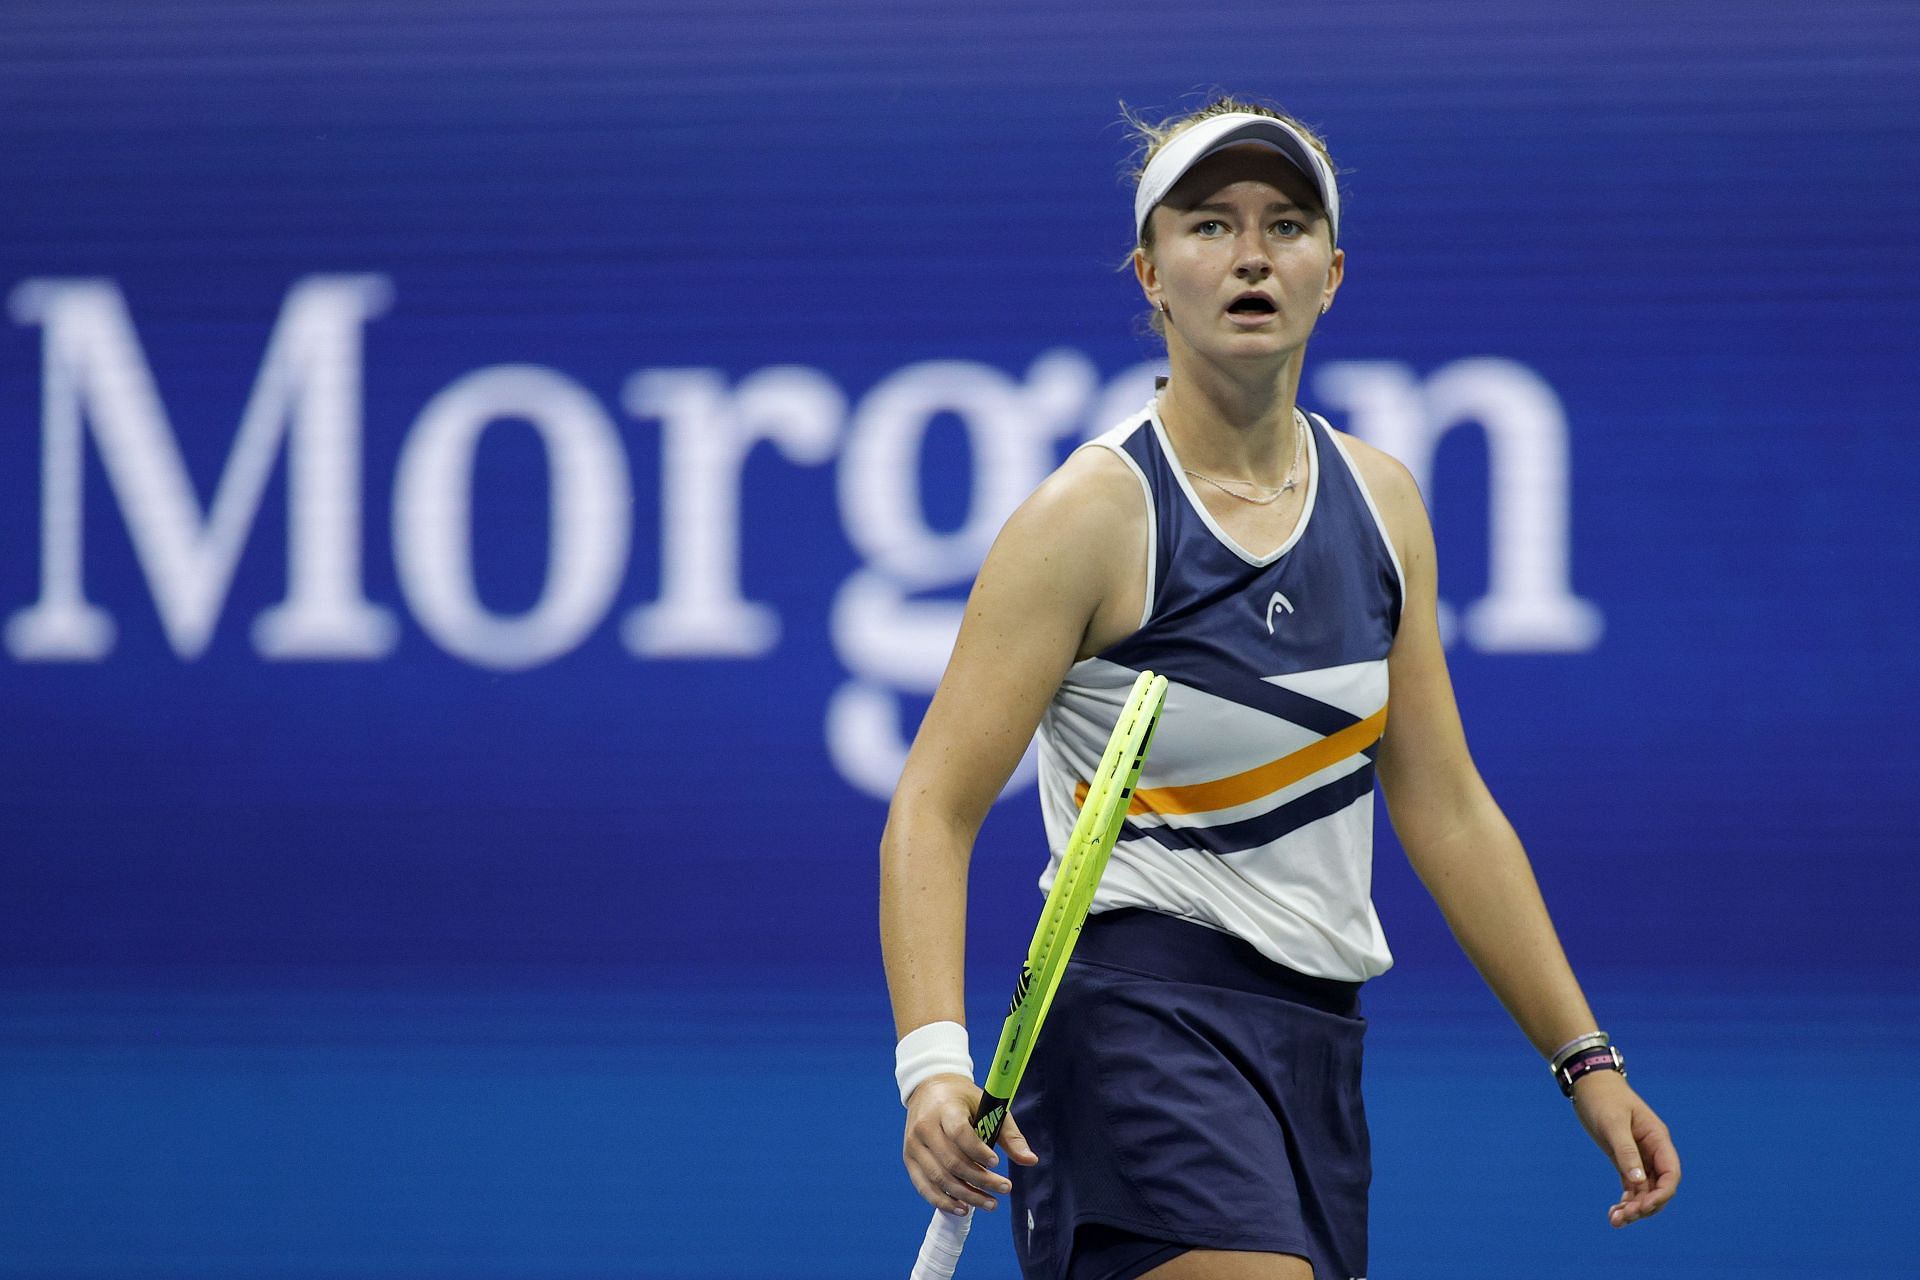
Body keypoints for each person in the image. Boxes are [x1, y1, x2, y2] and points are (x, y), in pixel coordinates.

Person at [880, 97, 1681, 1280]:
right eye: (1210, 226)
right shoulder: (1093, 517)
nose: (1252, 254)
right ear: (1151, 274)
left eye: (1288, 224)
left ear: (1333, 271)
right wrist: (932, 1059)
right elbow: (933, 807)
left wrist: (1586, 1058)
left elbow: (1446, 804)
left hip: (1320, 1044)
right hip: (1139, 1022)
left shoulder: (1382, 503)